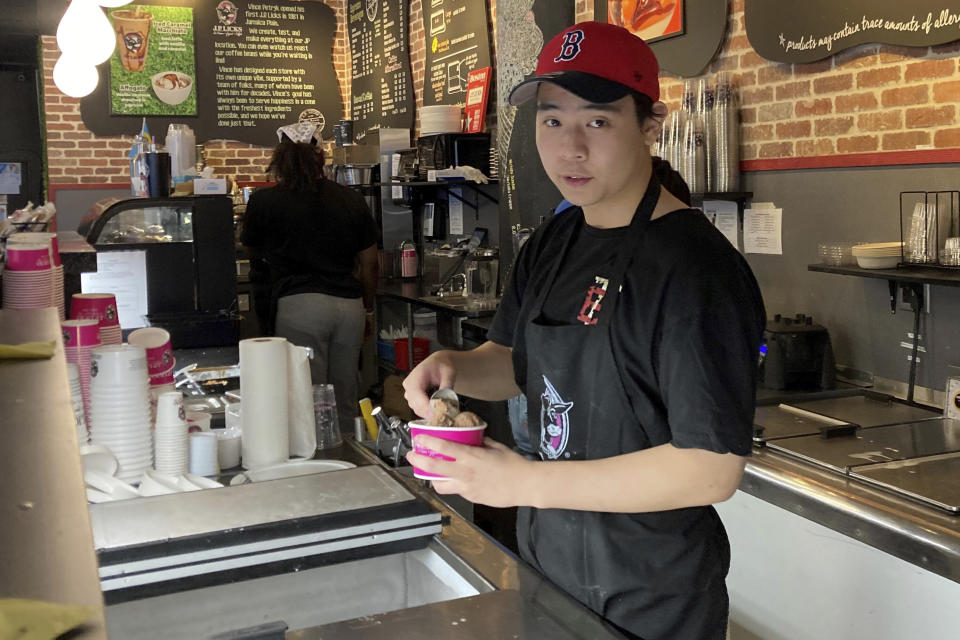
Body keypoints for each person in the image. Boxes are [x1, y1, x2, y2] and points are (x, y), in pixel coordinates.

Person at [403, 21, 765, 640]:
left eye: (597, 122)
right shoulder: (555, 240)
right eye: (552, 120)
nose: (569, 148)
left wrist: (521, 481)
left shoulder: (694, 270)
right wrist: (455, 368)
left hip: (651, 593)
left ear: (649, 129)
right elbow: (514, 362)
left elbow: (711, 469)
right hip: (552, 563)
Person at [242, 124, 379, 436]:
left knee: (309, 397)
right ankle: (351, 463)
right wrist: (367, 309)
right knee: (346, 393)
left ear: (280, 158)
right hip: (348, 308)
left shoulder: (264, 202)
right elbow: (370, 264)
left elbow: (251, 248)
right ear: (320, 157)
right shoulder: (350, 200)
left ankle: (318, 466)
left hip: (298, 307)